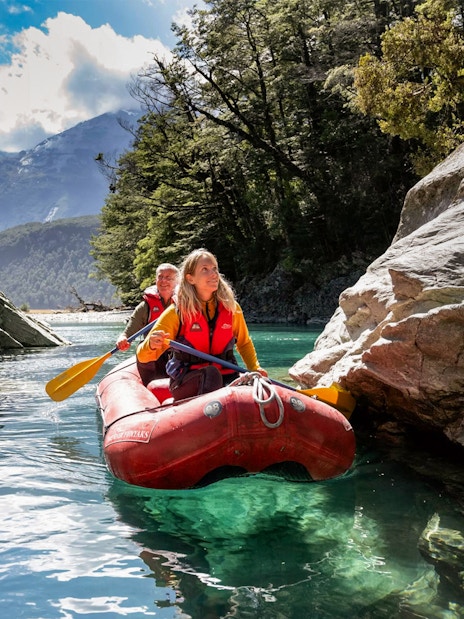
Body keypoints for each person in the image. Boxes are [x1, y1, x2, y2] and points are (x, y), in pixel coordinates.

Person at [136, 248, 267, 401]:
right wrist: (151, 345)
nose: (214, 274)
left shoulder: (231, 308)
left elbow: (244, 343)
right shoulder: (176, 313)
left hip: (227, 377)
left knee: (258, 383)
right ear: (191, 279)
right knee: (211, 374)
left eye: (214, 269)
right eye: (205, 269)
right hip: (186, 381)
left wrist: (255, 368)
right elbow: (143, 356)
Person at [116, 263, 179, 385]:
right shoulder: (146, 307)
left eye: (168, 278)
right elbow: (129, 332)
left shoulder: (185, 303)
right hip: (154, 353)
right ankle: (151, 386)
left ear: (177, 282)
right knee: (142, 348)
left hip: (178, 353)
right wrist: (123, 338)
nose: (163, 281)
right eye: (160, 277)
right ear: (156, 280)